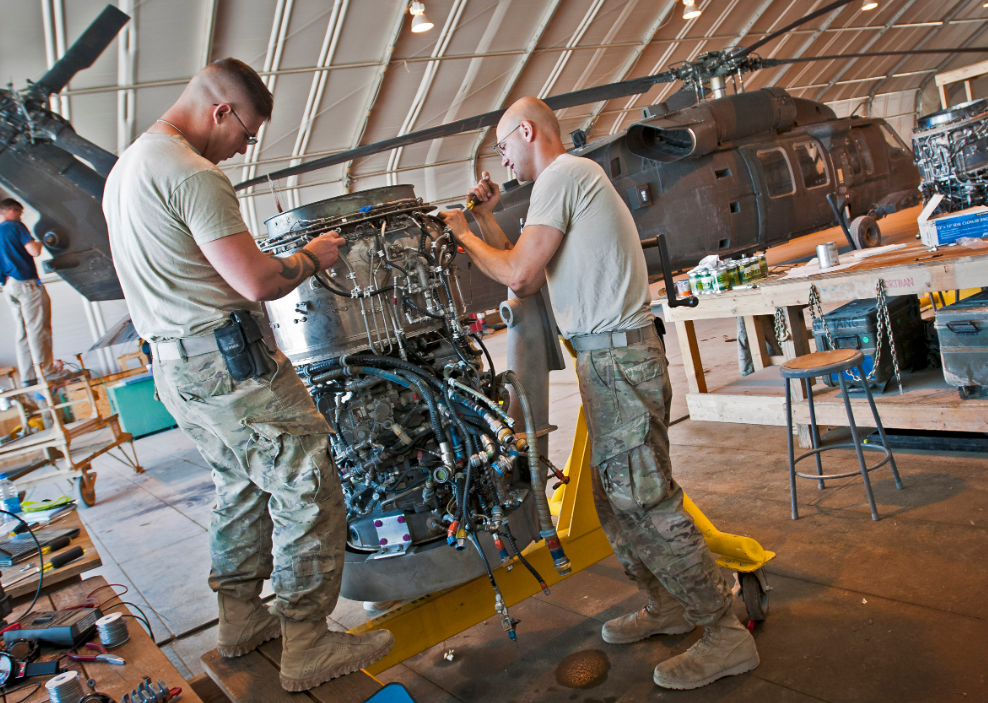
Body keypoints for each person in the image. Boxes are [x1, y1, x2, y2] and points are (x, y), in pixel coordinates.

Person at [439, 97, 759, 691]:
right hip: (607, 359)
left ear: (527, 132)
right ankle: (665, 604)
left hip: (618, 359)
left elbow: (518, 275)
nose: (503, 162)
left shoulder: (564, 175)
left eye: (504, 146)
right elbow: (524, 258)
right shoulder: (564, 184)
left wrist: (461, 232)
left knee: (647, 501)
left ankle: (725, 633)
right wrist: (484, 221)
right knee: (615, 502)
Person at [102, 58, 392, 692]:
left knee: (237, 485)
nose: (243, 148)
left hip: (178, 370)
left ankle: (240, 620)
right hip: (231, 367)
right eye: (245, 132)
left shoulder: (126, 171)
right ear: (221, 111)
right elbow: (257, 281)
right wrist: (312, 256)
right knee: (308, 485)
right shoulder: (192, 175)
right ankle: (308, 642)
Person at [0, 198, 64, 387]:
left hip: (9, 286)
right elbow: (33, 251)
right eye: (19, 213)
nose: (20, 217)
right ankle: (47, 370)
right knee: (38, 328)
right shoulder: (15, 226)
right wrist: (40, 242)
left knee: (22, 331)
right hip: (26, 283)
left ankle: (28, 376)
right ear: (11, 211)